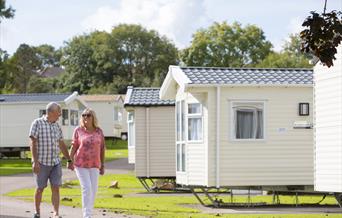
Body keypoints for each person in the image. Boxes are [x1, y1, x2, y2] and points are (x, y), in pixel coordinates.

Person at [29, 102, 73, 218]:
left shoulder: (57, 126)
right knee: (40, 188)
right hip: (41, 163)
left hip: (55, 162)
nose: (59, 115)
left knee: (56, 187)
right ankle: (37, 212)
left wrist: (69, 159)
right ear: (51, 112)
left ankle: (56, 213)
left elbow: (61, 144)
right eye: (58, 112)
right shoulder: (37, 123)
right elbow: (32, 142)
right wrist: (35, 161)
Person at [68, 108, 105, 218]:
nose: (85, 117)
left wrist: (102, 165)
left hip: (95, 165)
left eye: (88, 115)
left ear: (93, 117)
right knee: (87, 188)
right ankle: (87, 215)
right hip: (80, 164)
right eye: (83, 115)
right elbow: (74, 146)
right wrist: (69, 160)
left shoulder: (99, 131)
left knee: (93, 190)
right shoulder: (78, 130)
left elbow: (102, 148)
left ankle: (89, 211)